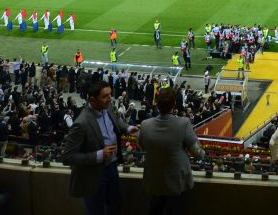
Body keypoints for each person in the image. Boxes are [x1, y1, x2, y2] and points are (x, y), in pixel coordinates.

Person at [61, 80, 137, 215]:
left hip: (112, 167)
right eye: (105, 96)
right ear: (92, 100)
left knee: (116, 205)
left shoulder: (106, 107)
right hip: (93, 174)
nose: (110, 99)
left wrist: (128, 128)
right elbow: (68, 157)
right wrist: (98, 155)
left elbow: (116, 121)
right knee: (96, 210)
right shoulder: (81, 123)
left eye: (110, 95)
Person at [139, 87, 204, 215]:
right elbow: (197, 152)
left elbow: (142, 146)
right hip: (176, 183)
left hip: (154, 181)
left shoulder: (145, 124)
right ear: (174, 105)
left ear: (156, 104)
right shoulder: (183, 123)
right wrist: (202, 155)